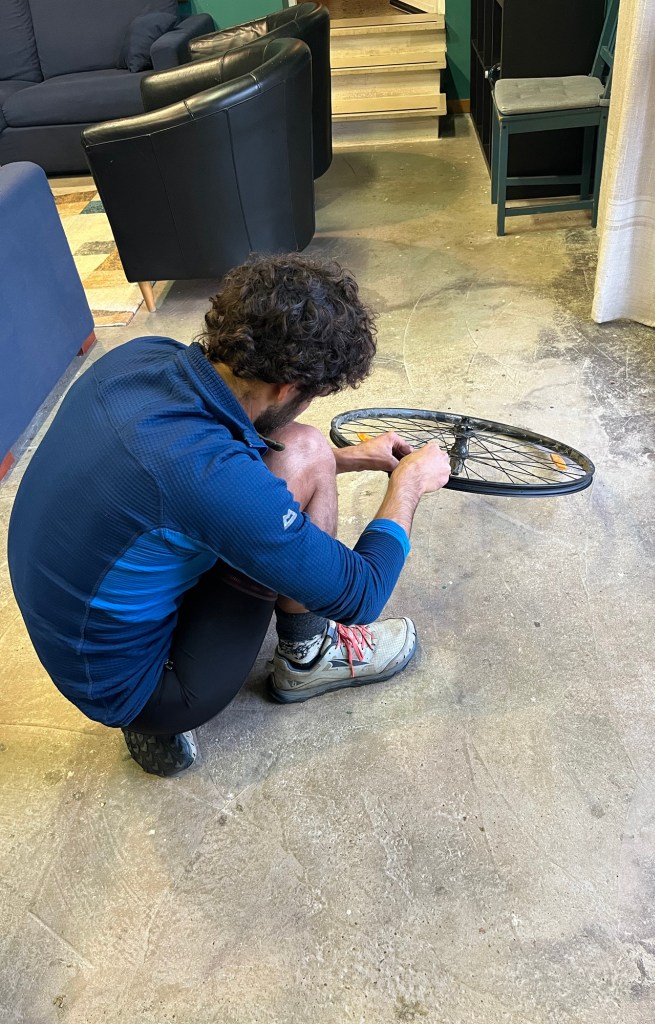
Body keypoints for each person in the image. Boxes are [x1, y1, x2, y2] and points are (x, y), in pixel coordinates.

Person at [7, 254, 450, 777]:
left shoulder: (142, 357)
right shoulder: (202, 475)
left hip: (80, 634)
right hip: (143, 690)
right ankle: (307, 659)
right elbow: (362, 593)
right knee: (301, 455)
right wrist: (409, 484)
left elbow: (213, 468)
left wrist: (344, 458)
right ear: (287, 388)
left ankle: (158, 661)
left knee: (304, 447)